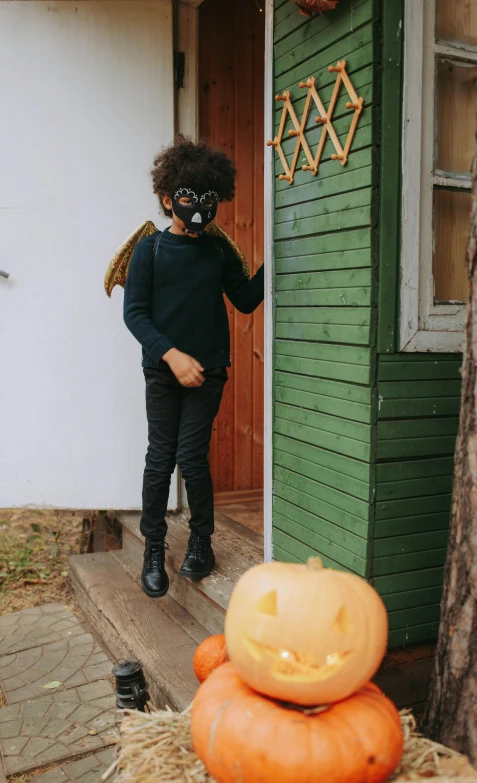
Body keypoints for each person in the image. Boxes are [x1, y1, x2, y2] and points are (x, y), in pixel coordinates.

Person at [123, 136, 264, 598]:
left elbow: (244, 300)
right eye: (188, 199)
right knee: (159, 459)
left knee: (192, 457)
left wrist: (275, 260)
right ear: (167, 199)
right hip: (163, 372)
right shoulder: (150, 250)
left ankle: (202, 541)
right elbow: (135, 314)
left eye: (209, 199)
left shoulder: (218, 251)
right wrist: (171, 354)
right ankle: (154, 546)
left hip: (210, 372)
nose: (199, 208)